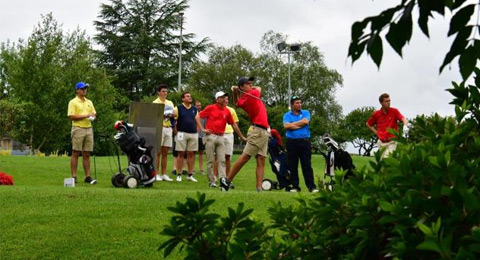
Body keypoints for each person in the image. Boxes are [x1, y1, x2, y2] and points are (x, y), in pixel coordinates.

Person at [220, 77, 270, 192]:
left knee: (261, 158)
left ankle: (259, 188)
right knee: (245, 157)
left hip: (263, 131)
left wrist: (236, 92)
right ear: (242, 86)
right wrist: (238, 91)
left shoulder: (244, 98)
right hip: (258, 130)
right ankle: (226, 181)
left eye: (251, 83)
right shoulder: (252, 94)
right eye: (248, 83)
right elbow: (259, 88)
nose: (251, 85)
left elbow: (237, 103)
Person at [196, 91, 246, 188]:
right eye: (222, 97)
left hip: (221, 137)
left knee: (222, 160)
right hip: (211, 136)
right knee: (210, 160)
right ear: (217, 99)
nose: (224, 99)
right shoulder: (211, 108)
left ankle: (222, 180)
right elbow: (197, 116)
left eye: (225, 97)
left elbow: (234, 125)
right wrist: (202, 129)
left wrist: (241, 136)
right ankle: (211, 181)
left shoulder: (227, 111)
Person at [283, 95, 319, 193]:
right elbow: (286, 126)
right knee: (293, 165)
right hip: (291, 142)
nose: (299, 105)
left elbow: (305, 121)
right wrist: (300, 124)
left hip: (304, 142)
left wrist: (292, 124)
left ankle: (311, 187)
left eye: (300, 102)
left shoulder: (306, 112)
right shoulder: (287, 115)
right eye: (297, 103)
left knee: (306, 165)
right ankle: (295, 186)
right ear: (292, 105)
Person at [67, 82, 97, 185]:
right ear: (77, 90)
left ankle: (87, 177)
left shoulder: (89, 102)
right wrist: (86, 115)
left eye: (85, 88)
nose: (85, 90)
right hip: (78, 128)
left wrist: (92, 116)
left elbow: (93, 113)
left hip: (89, 128)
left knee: (87, 153)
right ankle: (74, 176)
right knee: (75, 152)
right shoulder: (73, 102)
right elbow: (71, 116)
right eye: (82, 88)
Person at [366, 93, 408, 158]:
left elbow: (404, 119)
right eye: (386, 101)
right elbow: (368, 124)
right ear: (381, 102)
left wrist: (405, 126)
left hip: (392, 142)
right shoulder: (376, 114)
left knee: (388, 160)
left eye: (389, 101)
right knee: (382, 164)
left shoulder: (394, 111)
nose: (389, 103)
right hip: (381, 143)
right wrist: (377, 133)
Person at [174, 92, 198, 182]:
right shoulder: (178, 108)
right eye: (187, 96)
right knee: (181, 153)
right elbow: (174, 120)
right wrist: (175, 131)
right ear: (183, 99)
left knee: (191, 154)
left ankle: (190, 174)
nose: (190, 97)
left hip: (193, 133)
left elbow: (197, 120)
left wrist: (199, 130)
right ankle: (179, 174)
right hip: (181, 133)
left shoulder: (194, 109)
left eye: (190, 96)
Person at [152, 84, 174, 182]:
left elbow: (173, 114)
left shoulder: (170, 102)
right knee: (157, 152)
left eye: (166, 91)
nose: (165, 93)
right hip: (159, 127)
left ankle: (164, 173)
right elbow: (153, 116)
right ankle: (156, 174)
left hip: (168, 127)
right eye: (163, 91)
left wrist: (171, 115)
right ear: (159, 92)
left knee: (165, 152)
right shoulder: (155, 102)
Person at [194, 100, 205, 175]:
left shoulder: (203, 114)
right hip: (194, 135)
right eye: (197, 105)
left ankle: (201, 169)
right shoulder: (192, 113)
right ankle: (192, 169)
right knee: (192, 153)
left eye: (200, 105)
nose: (199, 106)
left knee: (201, 153)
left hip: (202, 136)